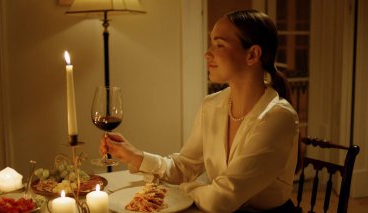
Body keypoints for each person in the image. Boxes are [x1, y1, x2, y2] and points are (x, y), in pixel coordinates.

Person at [100, 10, 299, 213]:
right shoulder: (211, 105)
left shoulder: (278, 117)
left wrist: (188, 188)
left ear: (252, 55)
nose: (207, 53)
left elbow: (219, 200)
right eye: (211, 43)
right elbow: (185, 167)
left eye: (219, 44)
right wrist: (135, 156)